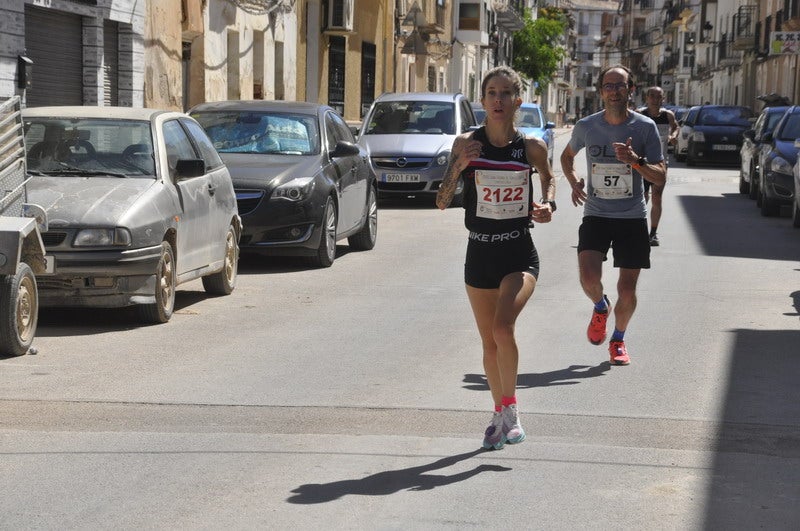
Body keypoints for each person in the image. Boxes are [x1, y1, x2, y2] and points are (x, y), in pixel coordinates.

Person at [436, 66, 556, 450]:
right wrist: (458, 166)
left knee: (504, 329)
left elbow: (548, 177)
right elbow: (440, 201)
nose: (498, 100)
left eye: (506, 93)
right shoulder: (466, 144)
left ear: (517, 101)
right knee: (489, 345)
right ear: (483, 100)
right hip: (480, 253)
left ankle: (513, 409)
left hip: (519, 252)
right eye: (491, 93)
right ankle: (498, 412)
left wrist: (548, 204)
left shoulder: (531, 148)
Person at [559, 65, 666, 366]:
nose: (615, 90)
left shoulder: (645, 128)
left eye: (621, 85)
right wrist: (573, 180)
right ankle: (599, 306)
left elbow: (659, 176)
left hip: (631, 217)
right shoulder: (587, 126)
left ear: (631, 90)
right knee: (588, 276)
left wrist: (636, 161)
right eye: (609, 85)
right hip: (596, 213)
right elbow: (567, 157)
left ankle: (618, 339)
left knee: (627, 290)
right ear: (601, 91)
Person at [637, 86, 678, 246]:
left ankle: (652, 234)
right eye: (652, 96)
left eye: (658, 96)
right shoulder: (640, 115)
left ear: (663, 98)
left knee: (657, 198)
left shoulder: (668, 116)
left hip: (660, 163)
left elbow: (675, 127)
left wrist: (673, 136)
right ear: (647, 98)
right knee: (641, 197)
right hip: (641, 162)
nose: (655, 99)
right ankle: (637, 229)